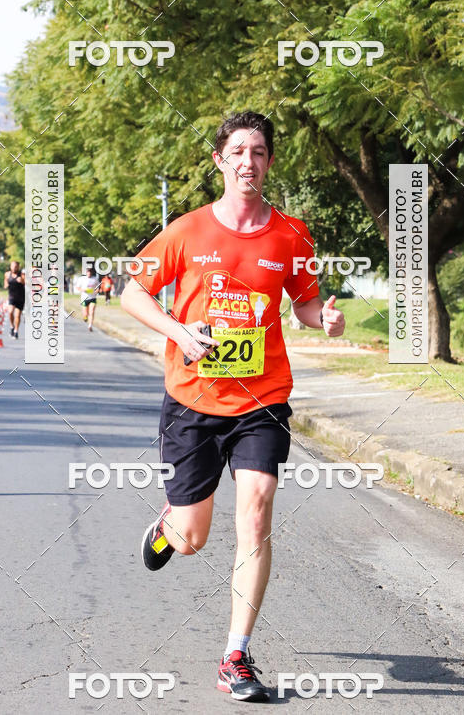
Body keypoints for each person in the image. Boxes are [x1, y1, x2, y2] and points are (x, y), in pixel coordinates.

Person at [121, 111, 345, 701]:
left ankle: (235, 656)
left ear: (270, 163)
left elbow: (304, 303)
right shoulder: (188, 231)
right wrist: (176, 330)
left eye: (261, 152)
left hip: (262, 398)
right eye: (239, 152)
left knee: (257, 512)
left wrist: (326, 318)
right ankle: (170, 526)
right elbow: (131, 292)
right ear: (220, 161)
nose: (250, 162)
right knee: (194, 536)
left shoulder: (292, 237)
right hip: (193, 399)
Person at [4, 261, 25, 338]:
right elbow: (5, 284)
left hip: (20, 297)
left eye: (15, 266)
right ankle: (12, 326)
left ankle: (16, 331)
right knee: (10, 312)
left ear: (18, 267)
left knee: (17, 315)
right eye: (12, 266)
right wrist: (6, 285)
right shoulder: (7, 274)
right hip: (11, 297)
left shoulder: (22, 275)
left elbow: (27, 283)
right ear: (10, 267)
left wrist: (22, 281)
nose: (14, 268)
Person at [79, 266, 98, 331]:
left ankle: (90, 325)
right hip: (84, 298)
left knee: (92, 311)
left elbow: (97, 287)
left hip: (93, 298)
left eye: (90, 273)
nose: (89, 274)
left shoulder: (95, 279)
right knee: (85, 313)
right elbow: (77, 287)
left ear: (91, 273)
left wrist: (96, 291)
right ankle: (85, 317)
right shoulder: (82, 279)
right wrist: (83, 290)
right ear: (86, 273)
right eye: (88, 272)